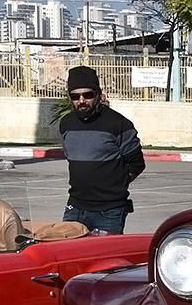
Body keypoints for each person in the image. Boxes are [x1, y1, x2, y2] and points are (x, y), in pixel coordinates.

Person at [58, 65, 145, 234]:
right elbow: (71, 156)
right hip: (74, 207)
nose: (81, 100)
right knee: (68, 257)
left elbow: (137, 165)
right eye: (75, 96)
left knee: (104, 258)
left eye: (87, 95)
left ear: (98, 94)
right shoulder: (66, 124)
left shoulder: (118, 124)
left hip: (109, 211)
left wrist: (115, 184)